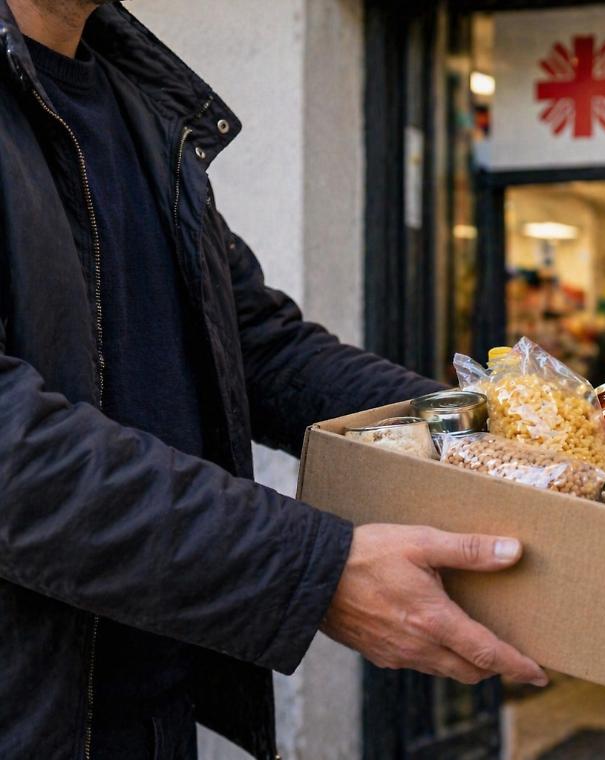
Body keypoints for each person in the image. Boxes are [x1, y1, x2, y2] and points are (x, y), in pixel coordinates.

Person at [0, 2, 546, 758]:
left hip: (153, 708)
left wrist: (506, 430)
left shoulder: (137, 107)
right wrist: (311, 571)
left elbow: (261, 346)